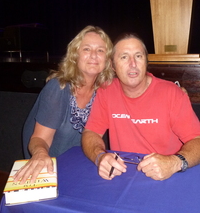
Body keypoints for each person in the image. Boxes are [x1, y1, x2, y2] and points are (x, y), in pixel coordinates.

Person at [82, 33, 200, 181]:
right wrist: (100, 156)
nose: (132, 63)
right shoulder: (106, 91)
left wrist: (175, 162)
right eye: (124, 57)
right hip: (122, 175)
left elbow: (197, 139)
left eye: (138, 56)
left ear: (146, 62)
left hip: (167, 176)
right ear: (112, 66)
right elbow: (91, 132)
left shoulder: (172, 93)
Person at [14, 25, 114, 184]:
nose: (94, 55)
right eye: (87, 49)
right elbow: (40, 138)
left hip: (79, 163)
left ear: (108, 60)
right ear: (75, 55)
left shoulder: (103, 91)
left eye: (100, 50)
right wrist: (40, 155)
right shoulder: (58, 88)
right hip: (51, 166)